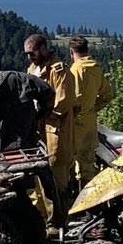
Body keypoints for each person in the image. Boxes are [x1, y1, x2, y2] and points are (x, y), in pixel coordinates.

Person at [24, 34, 80, 214]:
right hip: (38, 133)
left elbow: (62, 103)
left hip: (56, 133)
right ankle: (44, 218)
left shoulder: (59, 70)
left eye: (32, 53)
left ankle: (60, 219)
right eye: (26, 54)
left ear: (43, 49)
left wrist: (42, 115)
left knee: (57, 180)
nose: (29, 57)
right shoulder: (31, 70)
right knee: (39, 181)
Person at [67, 35, 114, 189]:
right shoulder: (96, 69)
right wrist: (93, 108)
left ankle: (74, 198)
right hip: (90, 123)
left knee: (71, 164)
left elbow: (72, 100)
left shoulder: (75, 70)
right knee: (87, 164)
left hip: (76, 123)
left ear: (71, 52)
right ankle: (89, 199)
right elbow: (108, 95)